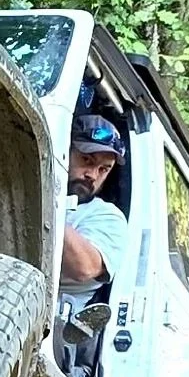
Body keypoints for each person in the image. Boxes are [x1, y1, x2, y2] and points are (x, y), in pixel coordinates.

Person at [60, 114, 127, 318]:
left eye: (103, 169)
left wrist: (49, 200)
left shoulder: (107, 216)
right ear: (64, 150)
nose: (92, 175)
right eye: (86, 160)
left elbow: (84, 267)